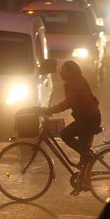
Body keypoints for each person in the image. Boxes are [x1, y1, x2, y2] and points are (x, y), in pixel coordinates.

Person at [43, 60, 101, 194]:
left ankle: (87, 159)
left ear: (70, 71)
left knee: (65, 134)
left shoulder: (74, 83)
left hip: (88, 119)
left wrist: (50, 110)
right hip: (90, 117)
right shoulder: (78, 79)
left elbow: (68, 102)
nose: (61, 72)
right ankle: (84, 182)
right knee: (83, 151)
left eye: (63, 70)